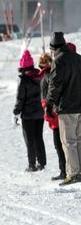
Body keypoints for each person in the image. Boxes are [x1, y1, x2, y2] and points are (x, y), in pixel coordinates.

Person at [45, 32, 81, 186]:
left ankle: (73, 174)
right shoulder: (78, 57)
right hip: (80, 106)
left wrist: (48, 104)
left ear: (53, 47)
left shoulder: (58, 61)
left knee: (68, 141)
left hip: (66, 107)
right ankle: (78, 171)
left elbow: (54, 85)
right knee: (79, 140)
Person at [13, 50, 46, 172]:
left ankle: (32, 165)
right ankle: (41, 163)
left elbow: (20, 99)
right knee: (39, 137)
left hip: (27, 115)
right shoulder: (40, 76)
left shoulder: (23, 80)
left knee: (29, 140)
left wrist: (16, 112)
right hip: (40, 113)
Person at [39, 52, 66, 181]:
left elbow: (45, 100)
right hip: (63, 111)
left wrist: (47, 111)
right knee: (68, 143)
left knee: (59, 145)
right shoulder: (57, 73)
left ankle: (64, 171)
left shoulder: (45, 78)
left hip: (54, 114)